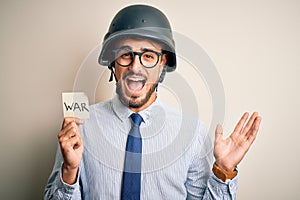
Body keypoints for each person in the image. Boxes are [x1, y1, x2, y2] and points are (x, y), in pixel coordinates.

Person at [44, 4, 261, 200]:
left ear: (162, 63)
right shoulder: (79, 128)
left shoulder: (192, 133)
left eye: (148, 56)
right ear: (113, 62)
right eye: (125, 54)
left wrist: (223, 170)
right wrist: (69, 172)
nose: (135, 67)